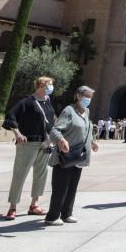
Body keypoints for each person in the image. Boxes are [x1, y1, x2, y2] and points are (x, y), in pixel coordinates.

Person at [2, 76, 56, 220]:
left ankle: (34, 204)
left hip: (44, 144)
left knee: (41, 175)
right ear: (40, 86)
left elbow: (51, 122)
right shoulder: (26, 102)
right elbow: (11, 117)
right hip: (28, 143)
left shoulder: (48, 103)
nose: (51, 88)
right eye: (49, 85)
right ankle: (12, 206)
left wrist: (52, 139)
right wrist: (18, 133)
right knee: (20, 174)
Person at [46, 85, 99, 226]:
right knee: (60, 187)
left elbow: (85, 130)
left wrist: (92, 142)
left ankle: (67, 214)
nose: (87, 99)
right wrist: (61, 140)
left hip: (79, 156)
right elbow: (55, 130)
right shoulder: (69, 110)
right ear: (77, 96)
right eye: (85, 96)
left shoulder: (86, 111)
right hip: (66, 154)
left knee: (72, 186)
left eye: (90, 97)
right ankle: (52, 216)